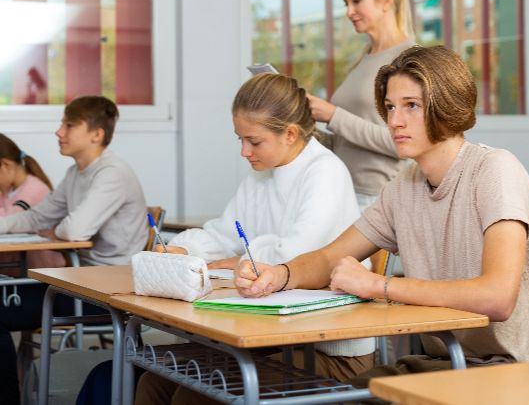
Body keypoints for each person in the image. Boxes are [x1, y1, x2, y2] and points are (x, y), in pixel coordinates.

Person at [235, 45, 529, 385]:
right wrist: (280, 274)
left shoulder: (495, 170)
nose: (394, 120)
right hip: (444, 361)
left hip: (511, 372)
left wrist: (381, 286)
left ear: (447, 106)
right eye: (390, 107)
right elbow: (330, 257)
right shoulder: (404, 185)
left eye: (411, 106)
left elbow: (497, 297)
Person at [135, 73, 372, 404]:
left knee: (192, 397)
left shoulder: (325, 173)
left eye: (254, 141)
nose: (245, 151)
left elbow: (293, 258)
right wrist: (183, 249)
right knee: (153, 384)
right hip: (271, 338)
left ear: (290, 134)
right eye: (240, 140)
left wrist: (237, 260)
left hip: (328, 352)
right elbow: (226, 233)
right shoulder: (261, 176)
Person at [0, 96, 147, 403]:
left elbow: (75, 230)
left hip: (108, 292)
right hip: (78, 283)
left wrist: (56, 229)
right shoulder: (75, 174)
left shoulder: (112, 173)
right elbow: (37, 217)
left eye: (69, 124)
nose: (59, 132)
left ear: (96, 134)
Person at [306, 0, 415, 211]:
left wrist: (332, 115)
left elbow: (401, 143)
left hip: (378, 198)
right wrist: (303, 125)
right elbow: (347, 141)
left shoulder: (408, 59)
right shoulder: (362, 60)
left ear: (387, 0)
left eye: (356, 1)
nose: (348, 12)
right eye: (346, 3)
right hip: (345, 190)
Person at [0, 134, 56, 272]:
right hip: (15, 273)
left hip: (39, 275)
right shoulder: (6, 191)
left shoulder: (34, 189)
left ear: (5, 165)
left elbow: (11, 218)